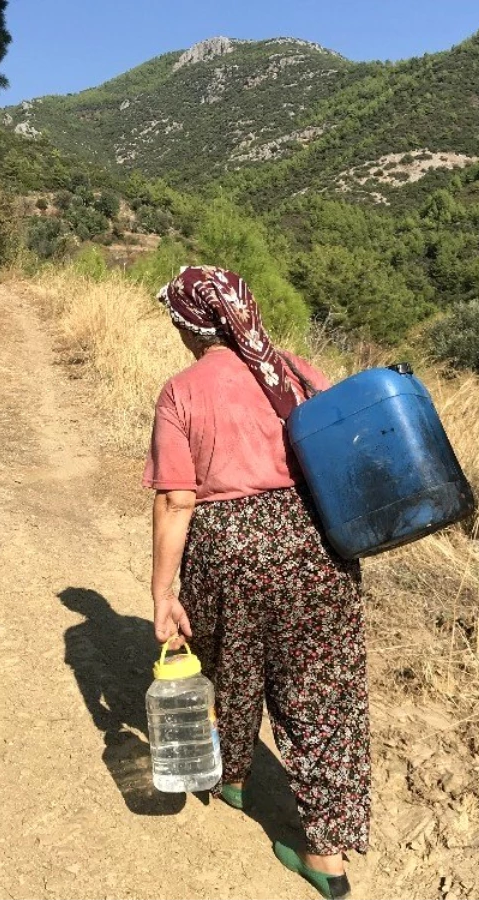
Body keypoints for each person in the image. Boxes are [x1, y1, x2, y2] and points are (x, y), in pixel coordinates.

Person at [143, 266, 370, 899]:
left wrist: (164, 593)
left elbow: (176, 501)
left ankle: (231, 775)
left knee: (231, 663)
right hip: (316, 547)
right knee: (323, 697)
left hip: (229, 551)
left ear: (191, 326)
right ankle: (326, 857)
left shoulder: (182, 389)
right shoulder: (295, 372)